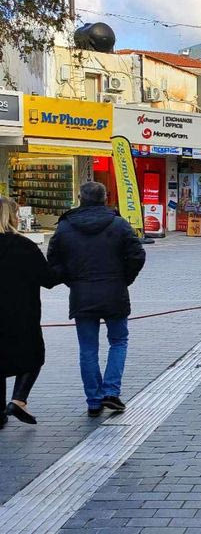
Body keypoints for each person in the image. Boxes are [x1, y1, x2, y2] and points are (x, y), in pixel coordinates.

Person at [48, 182, 146, 416]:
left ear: (80, 197)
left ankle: (93, 400)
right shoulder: (119, 224)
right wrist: (124, 279)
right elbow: (137, 255)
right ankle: (111, 391)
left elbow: (54, 261)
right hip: (114, 292)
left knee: (88, 348)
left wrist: (73, 280)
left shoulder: (65, 226)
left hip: (82, 295)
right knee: (119, 341)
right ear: (105, 198)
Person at [0, 197, 58, 429]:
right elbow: (48, 279)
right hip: (20, 313)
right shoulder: (23, 245)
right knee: (34, 356)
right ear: (13, 216)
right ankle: (18, 399)